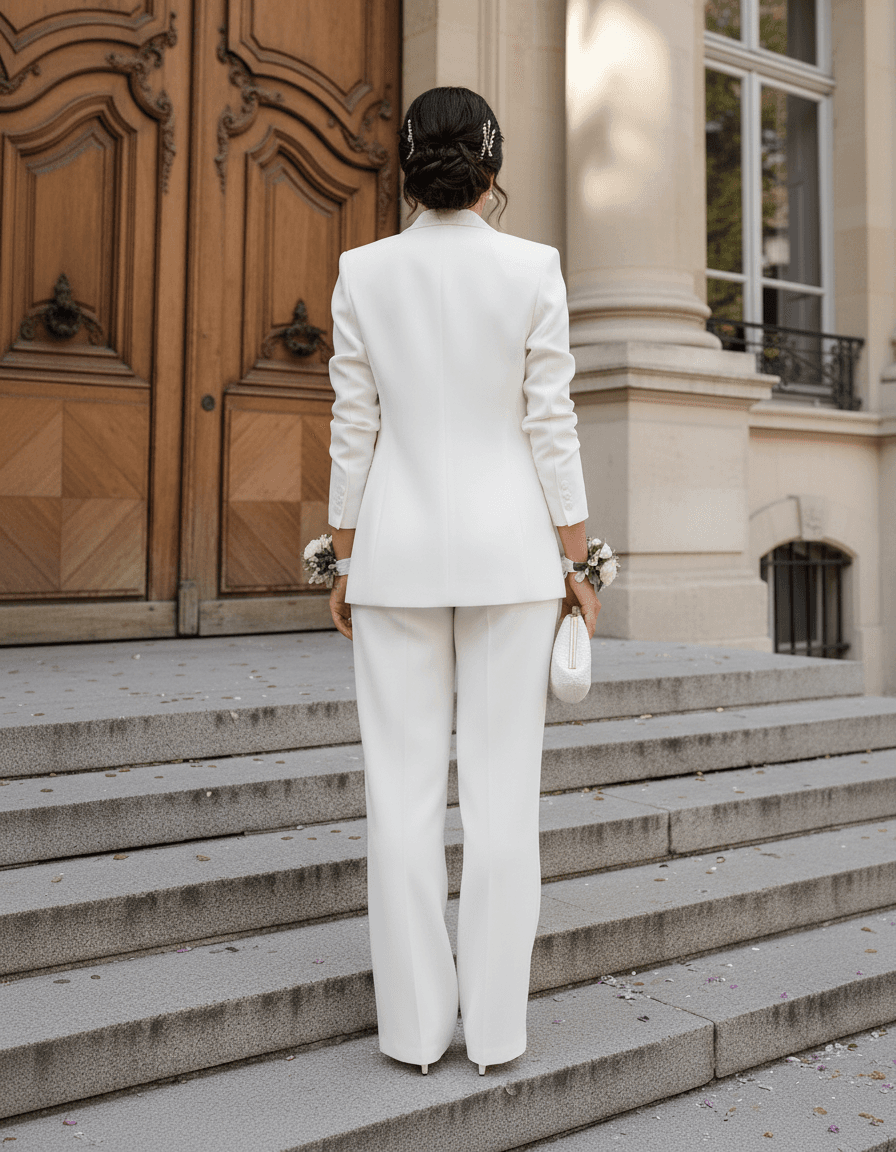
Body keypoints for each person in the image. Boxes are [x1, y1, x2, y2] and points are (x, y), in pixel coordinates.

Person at [325, 86, 600, 1079]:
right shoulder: (532, 268)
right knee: (501, 802)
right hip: (511, 561)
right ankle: (494, 1031)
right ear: (489, 160)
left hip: (392, 559)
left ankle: (411, 1032)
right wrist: (581, 562)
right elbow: (550, 428)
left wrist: (338, 560)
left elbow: (351, 431)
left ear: (405, 162)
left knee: (396, 800)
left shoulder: (361, 270)